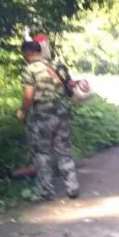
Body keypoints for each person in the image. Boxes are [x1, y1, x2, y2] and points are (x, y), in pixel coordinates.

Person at [17, 40, 79, 200]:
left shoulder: (29, 70)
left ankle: (47, 192)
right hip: (62, 114)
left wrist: (22, 111)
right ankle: (72, 187)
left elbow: (28, 95)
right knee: (64, 152)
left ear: (27, 53)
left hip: (42, 117)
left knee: (42, 154)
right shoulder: (56, 67)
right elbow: (68, 87)